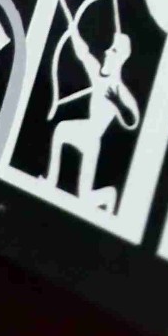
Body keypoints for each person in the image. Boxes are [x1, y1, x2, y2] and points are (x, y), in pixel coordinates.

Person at [44, 22, 140, 211]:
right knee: (61, 130)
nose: (107, 52)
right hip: (87, 131)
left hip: (93, 138)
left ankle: (109, 195)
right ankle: (50, 180)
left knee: (84, 197)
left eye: (113, 50)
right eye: (110, 48)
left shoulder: (119, 89)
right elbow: (84, 54)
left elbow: (132, 121)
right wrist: (74, 31)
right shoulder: (98, 75)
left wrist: (118, 104)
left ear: (120, 58)